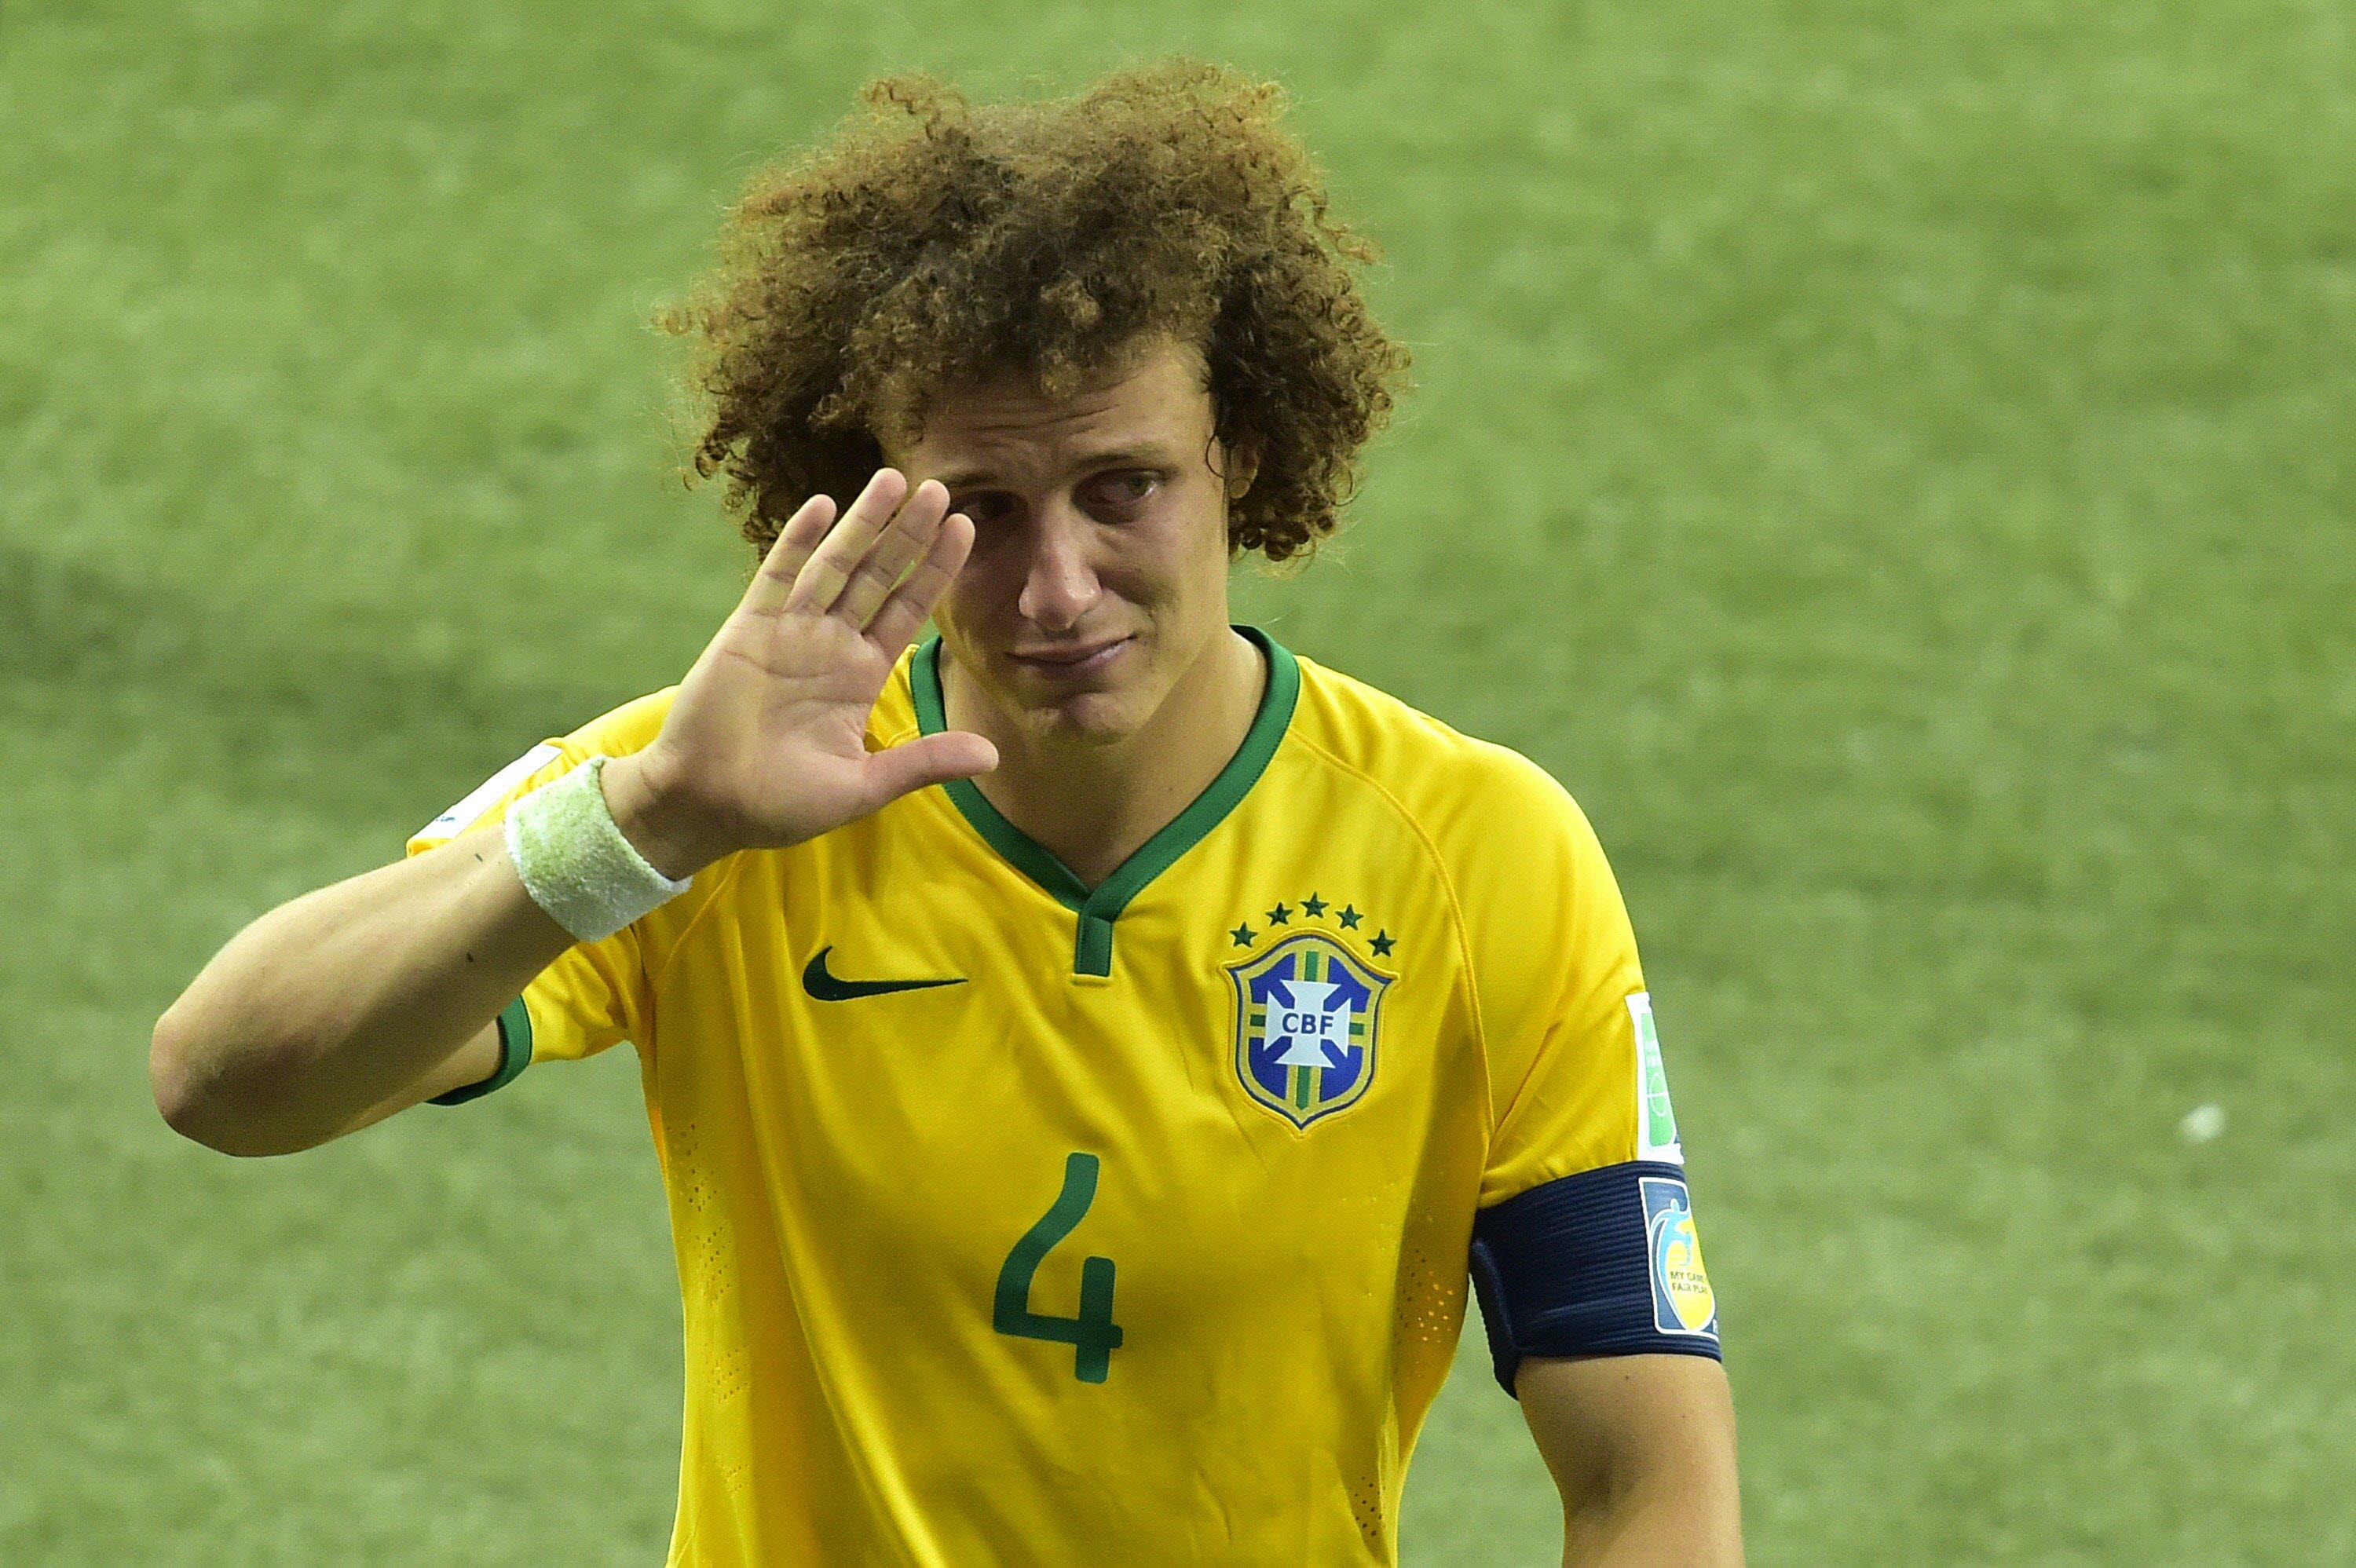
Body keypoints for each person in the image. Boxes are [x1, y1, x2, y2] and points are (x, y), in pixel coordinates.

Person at [151, 60, 1742, 1566]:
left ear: (1240, 456)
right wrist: (644, 818)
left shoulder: (1482, 857)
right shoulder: (712, 793)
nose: (1056, 588)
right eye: (979, 511)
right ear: (864, 495)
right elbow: (226, 1077)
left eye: (1124, 487)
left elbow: (1647, 1475)